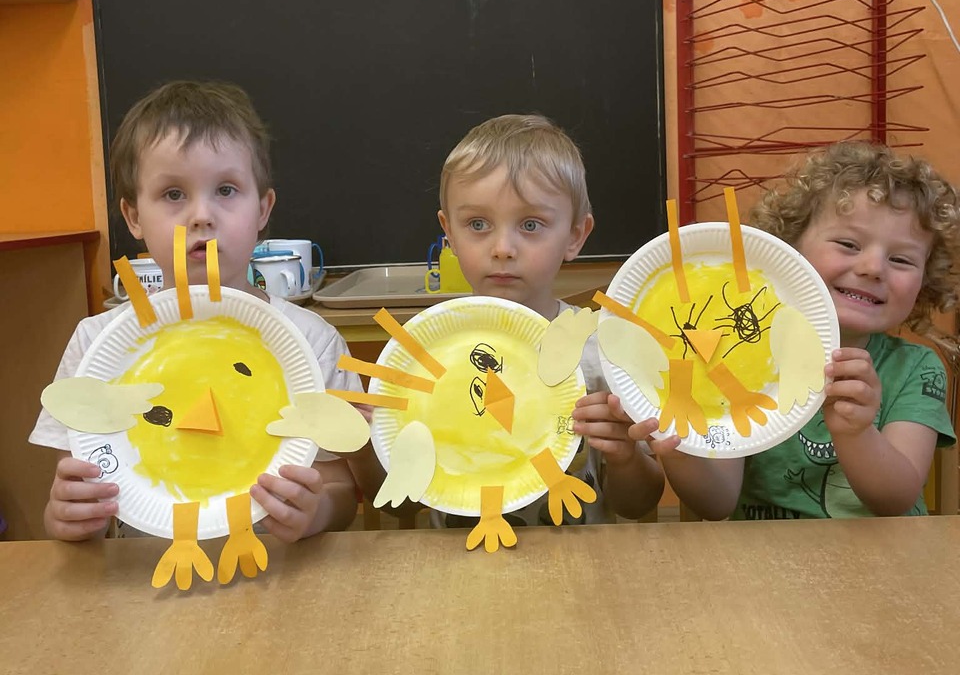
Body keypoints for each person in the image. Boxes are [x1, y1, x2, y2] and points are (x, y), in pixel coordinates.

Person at [32, 80, 375, 543]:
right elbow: (81, 488)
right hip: (144, 576)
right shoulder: (98, 346)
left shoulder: (311, 342)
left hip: (281, 573)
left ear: (263, 210)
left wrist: (315, 512)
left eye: (226, 189)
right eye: (173, 194)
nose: (201, 216)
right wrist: (67, 519)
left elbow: (340, 492)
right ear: (133, 217)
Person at [643, 142, 960, 520]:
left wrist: (857, 433)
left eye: (902, 259)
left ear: (925, 281)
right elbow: (717, 503)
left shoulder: (917, 368)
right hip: (764, 555)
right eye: (848, 244)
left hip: (884, 555)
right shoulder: (738, 357)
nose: (874, 268)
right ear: (789, 249)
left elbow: (896, 500)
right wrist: (680, 450)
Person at [422, 113, 664, 530]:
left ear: (575, 236)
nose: (502, 248)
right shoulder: (426, 352)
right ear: (449, 233)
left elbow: (638, 504)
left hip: (580, 563)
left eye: (531, 225)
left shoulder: (602, 352)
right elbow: (397, 500)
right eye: (477, 224)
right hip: (455, 564)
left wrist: (624, 455)